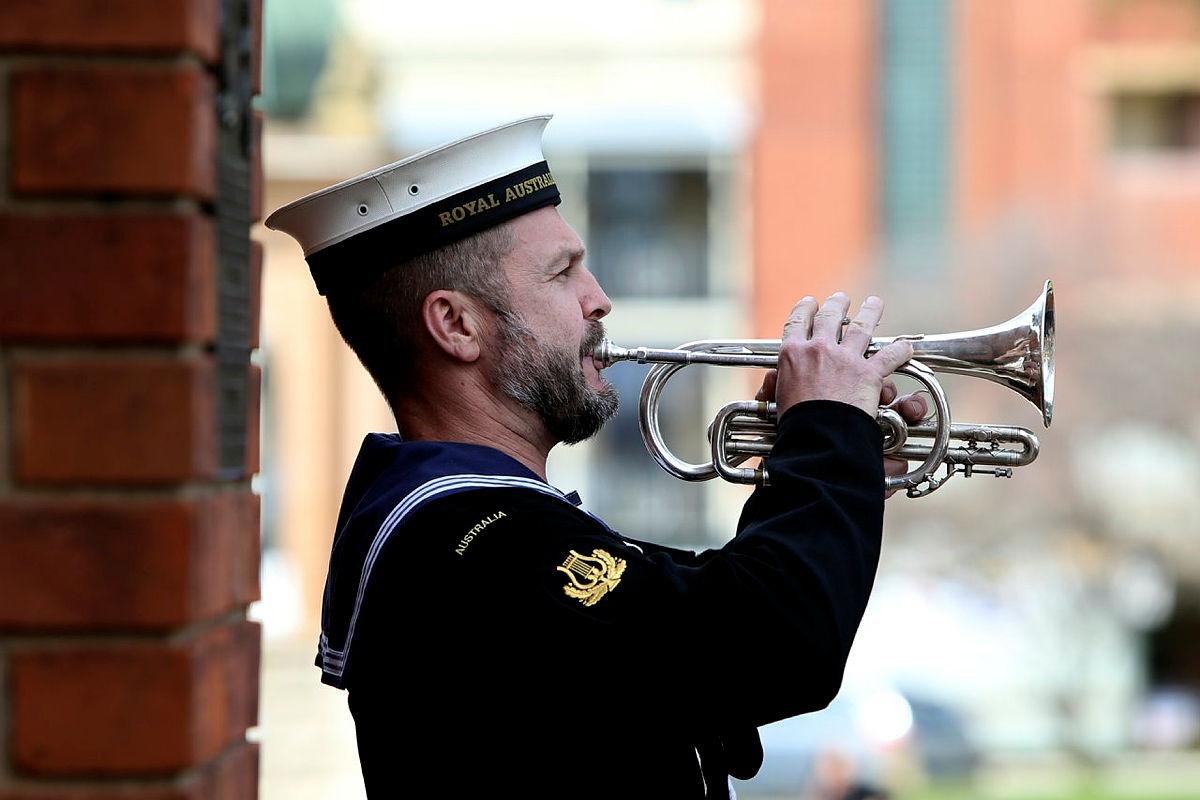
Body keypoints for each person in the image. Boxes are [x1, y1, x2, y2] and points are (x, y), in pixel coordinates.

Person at [266, 115, 926, 799]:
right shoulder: (474, 541)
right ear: (457, 325)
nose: (599, 299)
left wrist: (828, 464)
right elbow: (772, 646)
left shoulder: (477, 527)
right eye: (563, 274)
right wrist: (824, 435)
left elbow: (692, 627)